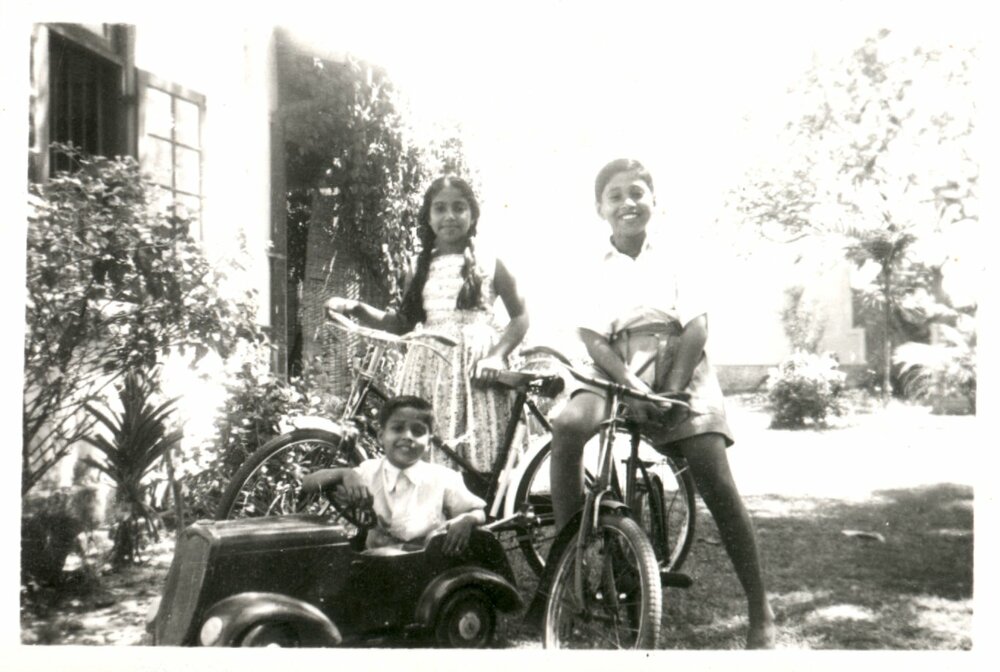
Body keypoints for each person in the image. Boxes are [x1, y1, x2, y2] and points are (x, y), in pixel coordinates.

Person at [548, 158, 776, 649]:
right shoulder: (592, 266)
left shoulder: (677, 254)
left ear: (653, 200)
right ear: (599, 208)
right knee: (568, 427)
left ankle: (760, 607)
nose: (628, 203)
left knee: (711, 472)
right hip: (614, 365)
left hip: (678, 358)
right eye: (616, 195)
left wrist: (670, 389)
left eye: (637, 192)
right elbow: (592, 337)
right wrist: (630, 380)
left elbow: (696, 325)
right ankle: (570, 576)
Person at [325, 176, 528, 475]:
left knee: (478, 454)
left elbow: (521, 317)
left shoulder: (492, 262)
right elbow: (400, 323)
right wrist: (355, 307)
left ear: (472, 214)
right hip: (429, 368)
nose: (449, 216)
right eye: (440, 208)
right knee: (427, 452)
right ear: (429, 216)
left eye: (459, 208)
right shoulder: (419, 266)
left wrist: (496, 355)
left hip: (476, 370)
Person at [301, 395, 486, 555]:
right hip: (376, 564)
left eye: (418, 431)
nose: (408, 436)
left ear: (429, 442)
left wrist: (467, 520)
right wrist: (344, 473)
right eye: (398, 429)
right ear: (381, 436)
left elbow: (477, 510)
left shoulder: (443, 478)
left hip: (426, 566)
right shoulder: (368, 472)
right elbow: (308, 483)